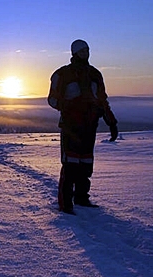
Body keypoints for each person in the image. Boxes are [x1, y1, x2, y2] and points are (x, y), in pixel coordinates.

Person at [48, 39, 118, 214]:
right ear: (74, 52)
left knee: (86, 164)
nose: (86, 53)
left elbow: (102, 100)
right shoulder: (62, 74)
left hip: (90, 126)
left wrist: (111, 122)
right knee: (70, 164)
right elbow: (52, 99)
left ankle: (81, 197)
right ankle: (65, 204)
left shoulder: (95, 74)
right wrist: (69, 107)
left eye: (87, 50)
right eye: (82, 50)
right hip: (71, 127)